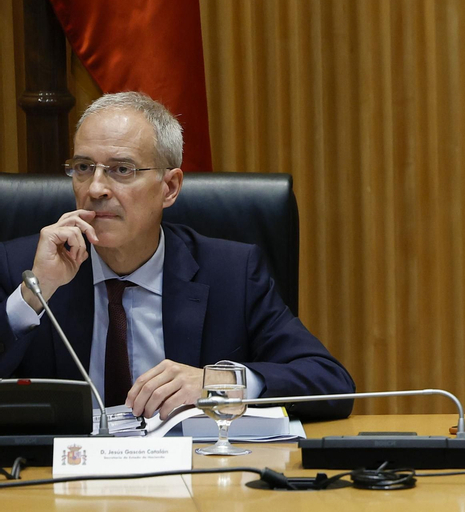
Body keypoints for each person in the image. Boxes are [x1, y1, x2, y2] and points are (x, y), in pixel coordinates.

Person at [0, 91, 355, 420]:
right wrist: (35, 294)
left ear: (169, 187)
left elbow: (329, 381)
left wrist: (218, 383)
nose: (95, 188)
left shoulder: (231, 273)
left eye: (121, 170)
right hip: (61, 478)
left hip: (193, 475)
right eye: (83, 168)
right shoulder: (24, 267)